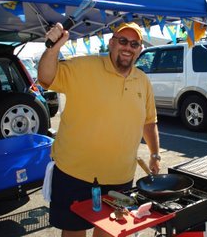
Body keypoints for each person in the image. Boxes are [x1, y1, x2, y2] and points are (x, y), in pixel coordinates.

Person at [37, 22, 161, 237]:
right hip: (74, 173)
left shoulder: (142, 80)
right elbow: (46, 78)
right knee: (74, 231)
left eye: (134, 44)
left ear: (140, 49)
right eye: (122, 41)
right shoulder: (84, 66)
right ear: (111, 43)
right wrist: (53, 48)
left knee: (109, 231)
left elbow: (149, 122)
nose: (128, 47)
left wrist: (155, 154)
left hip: (120, 177)